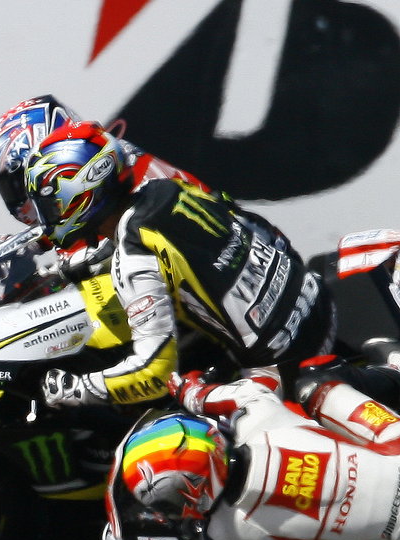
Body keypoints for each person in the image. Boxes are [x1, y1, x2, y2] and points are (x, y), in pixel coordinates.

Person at [23, 121, 333, 411]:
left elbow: (154, 373)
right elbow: (251, 226)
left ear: (83, 189)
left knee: (175, 436)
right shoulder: (166, 190)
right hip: (316, 305)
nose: (50, 216)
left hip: (283, 366)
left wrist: (77, 388)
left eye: (52, 204)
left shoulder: (134, 253)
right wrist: (64, 269)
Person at [105, 370, 400, 540]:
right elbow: (252, 384)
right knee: (316, 385)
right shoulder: (259, 415)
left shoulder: (225, 538)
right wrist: (190, 390)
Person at [0, 95, 201, 227]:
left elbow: (131, 233)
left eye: (22, 181)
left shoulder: (118, 178)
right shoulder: (95, 185)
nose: (22, 197)